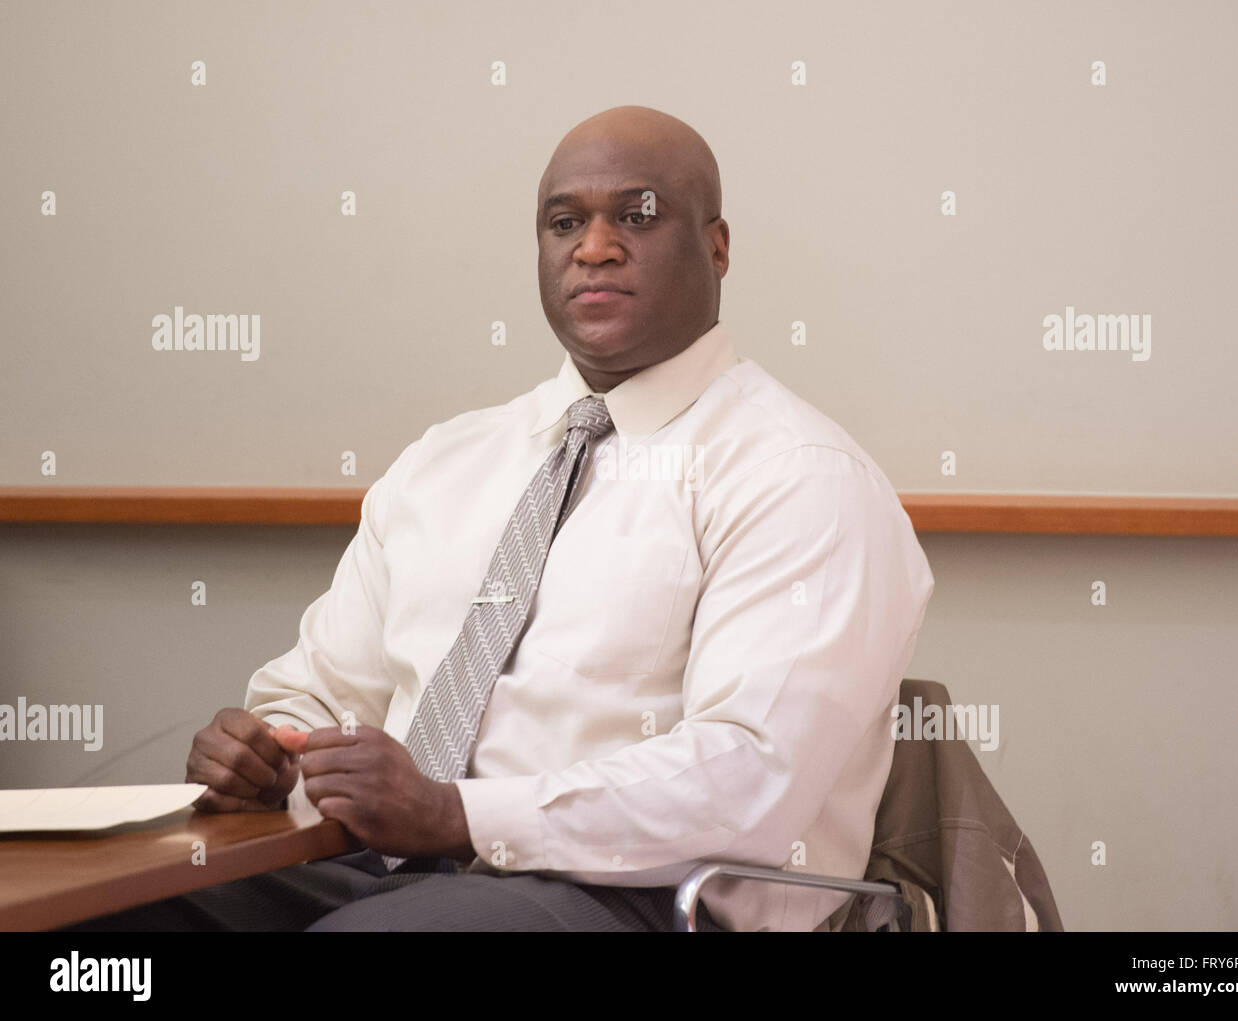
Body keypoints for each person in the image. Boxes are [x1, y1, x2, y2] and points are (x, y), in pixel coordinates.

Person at [63, 104, 935, 932]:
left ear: (717, 246)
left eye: (636, 217)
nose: (594, 248)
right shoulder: (447, 460)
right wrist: (266, 756)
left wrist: (455, 812)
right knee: (97, 921)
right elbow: (321, 691)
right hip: (381, 864)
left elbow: (751, 780)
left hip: (638, 898)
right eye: (564, 224)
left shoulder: (800, 476)